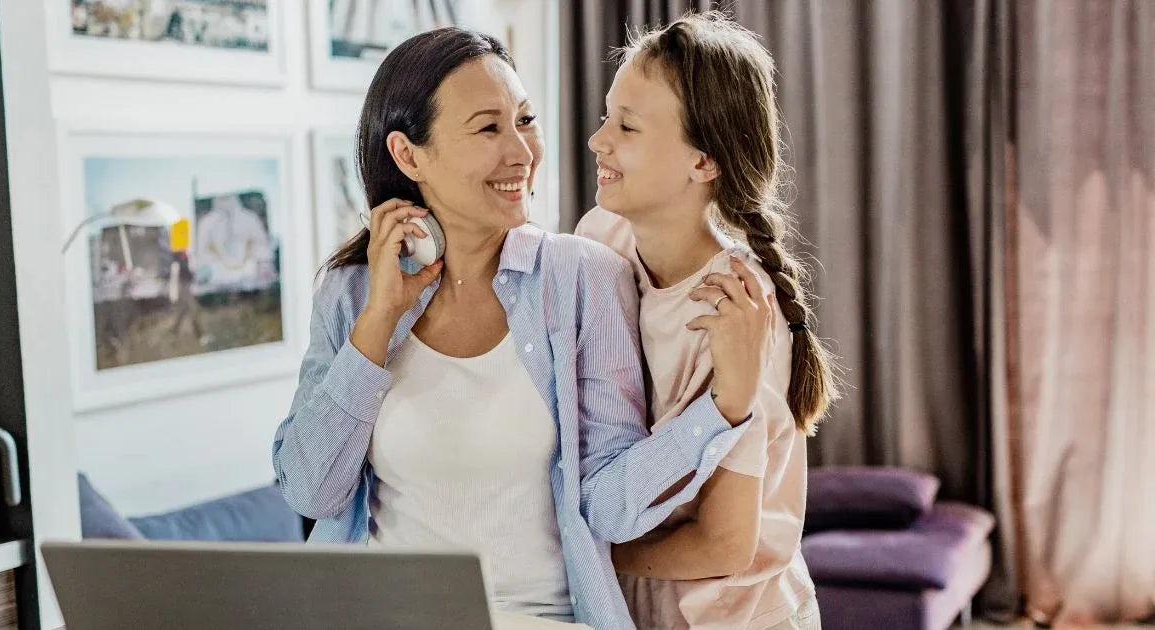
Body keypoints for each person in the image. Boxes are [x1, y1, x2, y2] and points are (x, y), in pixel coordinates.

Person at [272, 27, 765, 629]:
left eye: (525, 119)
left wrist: (723, 410)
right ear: (408, 156)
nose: (523, 151)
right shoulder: (350, 295)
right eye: (488, 128)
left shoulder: (585, 279)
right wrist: (378, 323)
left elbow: (605, 509)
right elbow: (311, 491)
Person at [575, 12, 838, 630]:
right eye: (608, 115)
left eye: (628, 127)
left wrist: (579, 553)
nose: (598, 140)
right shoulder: (601, 238)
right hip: (632, 606)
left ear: (703, 163)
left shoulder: (738, 309)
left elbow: (723, 545)